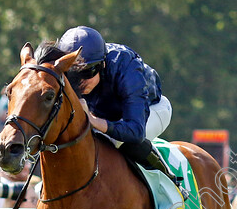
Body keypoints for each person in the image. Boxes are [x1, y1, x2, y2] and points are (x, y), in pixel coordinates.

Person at [56, 26, 177, 185]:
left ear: (102, 65)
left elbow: (135, 131)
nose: (80, 82)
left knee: (118, 144)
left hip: (151, 112)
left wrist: (93, 121)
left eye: (87, 72)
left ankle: (171, 186)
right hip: (106, 116)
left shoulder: (126, 66)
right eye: (72, 74)